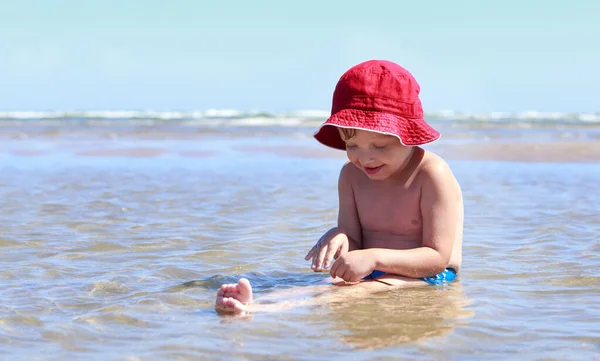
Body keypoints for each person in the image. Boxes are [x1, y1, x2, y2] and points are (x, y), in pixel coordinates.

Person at [215, 59, 464, 314]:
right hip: (371, 268)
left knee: (360, 290)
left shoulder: (432, 175)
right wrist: (342, 236)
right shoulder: (351, 176)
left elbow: (437, 257)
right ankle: (257, 300)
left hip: (431, 277)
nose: (365, 158)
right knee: (330, 284)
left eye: (380, 146)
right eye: (352, 145)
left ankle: (260, 310)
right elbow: (354, 243)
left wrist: (374, 258)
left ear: (410, 136)